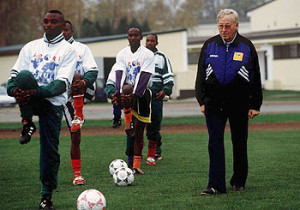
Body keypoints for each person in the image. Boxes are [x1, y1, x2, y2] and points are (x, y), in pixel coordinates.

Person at [6, 10, 77, 209]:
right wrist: (15, 91)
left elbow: (61, 85)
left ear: (63, 26)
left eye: (53, 22)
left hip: (52, 104)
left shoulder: (68, 50)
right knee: (24, 76)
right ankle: (27, 123)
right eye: (45, 21)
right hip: (31, 97)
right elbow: (13, 77)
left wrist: (34, 92)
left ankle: (46, 196)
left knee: (49, 151)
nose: (48, 25)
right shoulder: (30, 47)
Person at [195, 9, 263, 195]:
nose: (224, 30)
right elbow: (200, 76)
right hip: (213, 104)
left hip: (239, 104)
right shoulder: (209, 45)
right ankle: (215, 185)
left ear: (236, 26)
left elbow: (255, 77)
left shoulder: (246, 46)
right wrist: (201, 100)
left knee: (239, 142)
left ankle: (238, 180)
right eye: (221, 26)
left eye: (227, 26)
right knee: (214, 143)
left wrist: (255, 104)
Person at [106, 27, 155, 174]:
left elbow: (145, 75)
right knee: (131, 131)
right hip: (127, 93)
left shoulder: (147, 54)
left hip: (142, 94)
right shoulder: (122, 53)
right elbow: (119, 71)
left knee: (139, 131)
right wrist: (119, 93)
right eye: (130, 35)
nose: (133, 38)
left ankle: (136, 165)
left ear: (140, 37)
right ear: (127, 38)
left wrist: (135, 94)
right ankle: (127, 121)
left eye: (136, 35)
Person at [62, 20, 98, 185]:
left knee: (76, 76)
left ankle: (79, 114)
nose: (63, 32)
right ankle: (77, 175)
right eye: (60, 29)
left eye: (66, 29)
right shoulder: (51, 51)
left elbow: (93, 71)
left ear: (72, 31)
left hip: (85, 89)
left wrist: (84, 82)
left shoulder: (81, 48)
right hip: (65, 96)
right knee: (75, 135)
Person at [145, 33, 174, 165]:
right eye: (147, 40)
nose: (149, 43)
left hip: (156, 96)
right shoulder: (140, 56)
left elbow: (168, 76)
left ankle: (156, 151)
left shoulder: (162, 58)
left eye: (152, 41)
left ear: (156, 43)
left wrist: (165, 90)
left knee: (154, 124)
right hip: (141, 96)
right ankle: (136, 153)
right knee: (138, 125)